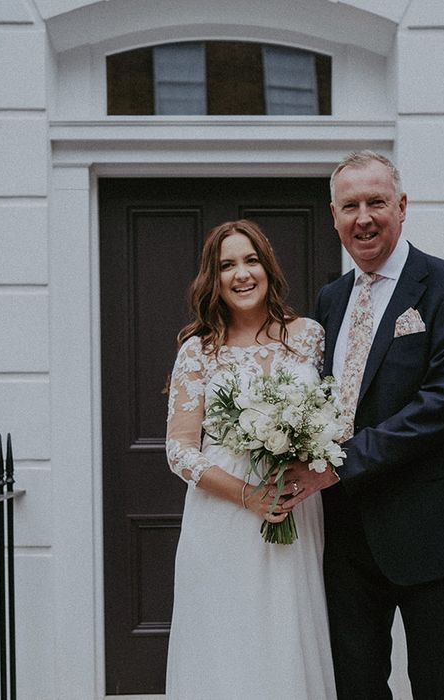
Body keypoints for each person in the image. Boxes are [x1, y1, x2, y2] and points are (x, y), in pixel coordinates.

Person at [282, 150, 444, 699]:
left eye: (377, 202)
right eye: (351, 206)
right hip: (346, 536)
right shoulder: (331, 298)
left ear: (402, 206)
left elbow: (442, 403)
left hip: (430, 533)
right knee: (356, 685)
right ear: (333, 216)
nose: (364, 217)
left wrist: (337, 464)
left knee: (439, 685)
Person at [164, 220, 337, 699]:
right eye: (227, 265)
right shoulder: (198, 350)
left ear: (267, 266)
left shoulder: (308, 337)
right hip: (225, 516)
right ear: (212, 279)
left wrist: (312, 459)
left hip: (293, 508)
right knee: (227, 641)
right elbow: (179, 450)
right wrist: (249, 497)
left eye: (250, 260)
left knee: (287, 631)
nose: (241, 274)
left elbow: (333, 417)